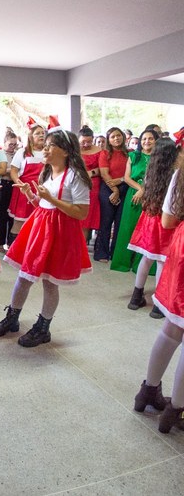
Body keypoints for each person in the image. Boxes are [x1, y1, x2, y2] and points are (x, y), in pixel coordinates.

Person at [0, 129, 92, 347]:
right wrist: (32, 195)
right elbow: (43, 204)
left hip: (60, 233)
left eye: (51, 145)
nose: (45, 149)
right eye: (45, 144)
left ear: (65, 151)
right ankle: (12, 318)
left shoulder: (75, 176)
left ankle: (43, 328)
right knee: (24, 275)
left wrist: (51, 199)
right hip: (41, 228)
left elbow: (81, 213)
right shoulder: (47, 172)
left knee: (49, 282)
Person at [133, 162, 184, 433]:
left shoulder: (181, 171)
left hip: (182, 244)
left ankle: (148, 391)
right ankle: (177, 409)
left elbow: (167, 220)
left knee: (172, 326)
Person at [126, 137, 179, 317]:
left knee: (147, 258)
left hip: (150, 217)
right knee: (161, 261)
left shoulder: (151, 169)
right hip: (165, 221)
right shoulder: (176, 173)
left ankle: (136, 296)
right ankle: (158, 305)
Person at [111, 126, 159, 272]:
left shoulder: (159, 158)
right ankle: (123, 262)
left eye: (150, 138)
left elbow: (158, 178)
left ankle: (141, 265)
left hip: (152, 195)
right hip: (133, 195)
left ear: (156, 141)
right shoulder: (133, 156)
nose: (147, 141)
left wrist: (144, 191)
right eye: (144, 138)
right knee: (128, 227)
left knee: (146, 229)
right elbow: (126, 177)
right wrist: (139, 190)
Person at [94, 127, 129, 262]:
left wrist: (121, 183)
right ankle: (101, 253)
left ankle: (116, 253)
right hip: (108, 189)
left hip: (125, 188)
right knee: (106, 221)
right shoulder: (105, 153)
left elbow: (130, 174)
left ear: (123, 137)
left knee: (120, 222)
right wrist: (115, 190)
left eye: (118, 135)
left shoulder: (130, 153)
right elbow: (104, 174)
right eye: (113, 136)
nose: (116, 138)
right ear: (109, 139)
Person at [7, 124, 46, 241]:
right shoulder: (23, 152)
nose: (41, 135)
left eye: (43, 133)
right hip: (24, 190)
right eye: (37, 133)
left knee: (38, 222)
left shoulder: (48, 151)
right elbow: (13, 170)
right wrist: (19, 184)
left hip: (41, 191)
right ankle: (13, 248)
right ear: (30, 137)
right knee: (19, 221)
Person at [78, 126, 102, 243]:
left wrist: (91, 172)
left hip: (92, 186)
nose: (86, 144)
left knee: (86, 217)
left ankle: (82, 244)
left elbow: (102, 168)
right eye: (83, 142)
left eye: (89, 142)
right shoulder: (73, 150)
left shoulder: (99, 151)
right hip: (76, 184)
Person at [0, 131, 19, 251]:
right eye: (10, 144)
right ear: (4, 143)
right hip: (3, 185)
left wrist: (10, 170)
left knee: (12, 215)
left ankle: (11, 243)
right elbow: (1, 170)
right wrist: (12, 170)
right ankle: (0, 243)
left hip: (14, 185)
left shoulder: (18, 154)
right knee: (2, 215)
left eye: (15, 144)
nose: (12, 147)